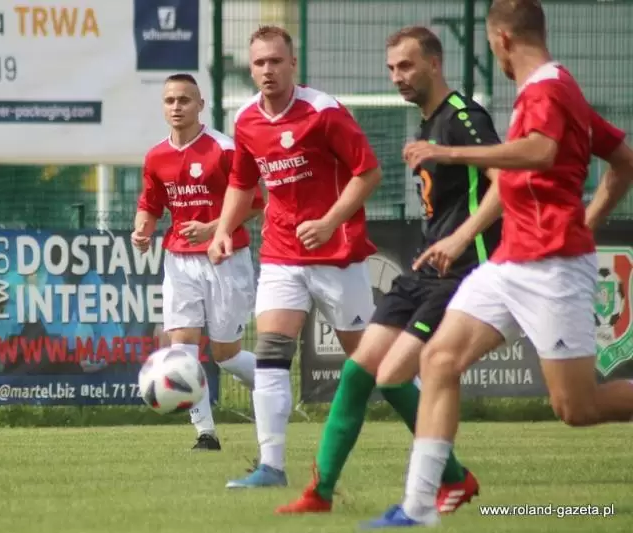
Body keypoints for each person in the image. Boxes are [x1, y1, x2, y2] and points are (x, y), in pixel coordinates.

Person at [366, 0, 633, 527]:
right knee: (438, 360)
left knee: (576, 408)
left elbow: (538, 151)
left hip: (553, 268)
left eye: (492, 45)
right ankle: (418, 507)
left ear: (503, 40)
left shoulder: (547, 90)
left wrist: (448, 153)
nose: (495, 54)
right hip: (510, 261)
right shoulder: (557, 88)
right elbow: (624, 161)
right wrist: (588, 220)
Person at [275, 25, 501, 515]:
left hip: (463, 271)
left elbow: (507, 184)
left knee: (395, 377)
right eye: (392, 68)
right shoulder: (425, 126)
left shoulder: (463, 117)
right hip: (423, 269)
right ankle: (320, 493)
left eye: (407, 66)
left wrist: (461, 238)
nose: (397, 76)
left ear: (434, 64)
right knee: (359, 371)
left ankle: (451, 481)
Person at [207, 25, 383, 488]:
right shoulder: (247, 119)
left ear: (292, 64)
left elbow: (369, 172)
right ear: (252, 69)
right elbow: (242, 183)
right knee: (271, 354)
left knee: (375, 361)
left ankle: (436, 442)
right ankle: (271, 467)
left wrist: (329, 222)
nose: (267, 69)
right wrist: (223, 230)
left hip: (337, 254)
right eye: (259, 62)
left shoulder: (323, 112)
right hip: (282, 253)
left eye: (275, 61)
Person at [132, 73, 264, 451]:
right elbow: (150, 205)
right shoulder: (156, 156)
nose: (177, 107)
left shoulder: (223, 149)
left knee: (226, 355)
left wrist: (212, 228)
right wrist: (142, 230)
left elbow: (256, 202)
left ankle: (271, 384)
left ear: (200, 105)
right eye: (170, 100)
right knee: (182, 349)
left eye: (184, 100)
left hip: (225, 258)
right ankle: (205, 434)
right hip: (179, 260)